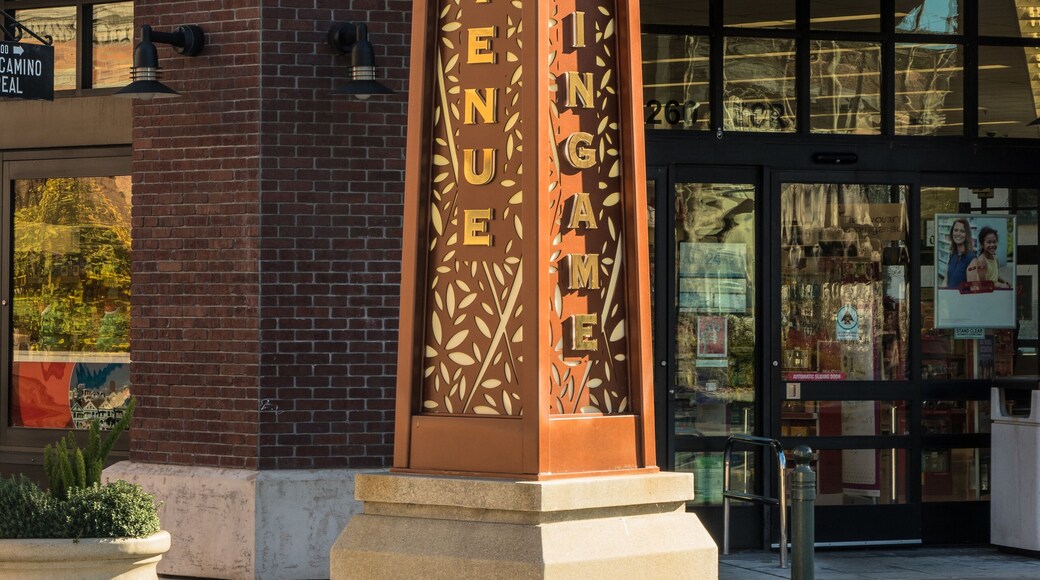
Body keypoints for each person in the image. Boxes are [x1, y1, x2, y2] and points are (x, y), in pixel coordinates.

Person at [944, 218, 975, 288]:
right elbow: (945, 281)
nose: (958, 234)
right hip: (949, 294)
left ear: (967, 234)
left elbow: (972, 288)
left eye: (962, 231)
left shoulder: (971, 259)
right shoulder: (952, 255)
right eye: (955, 230)